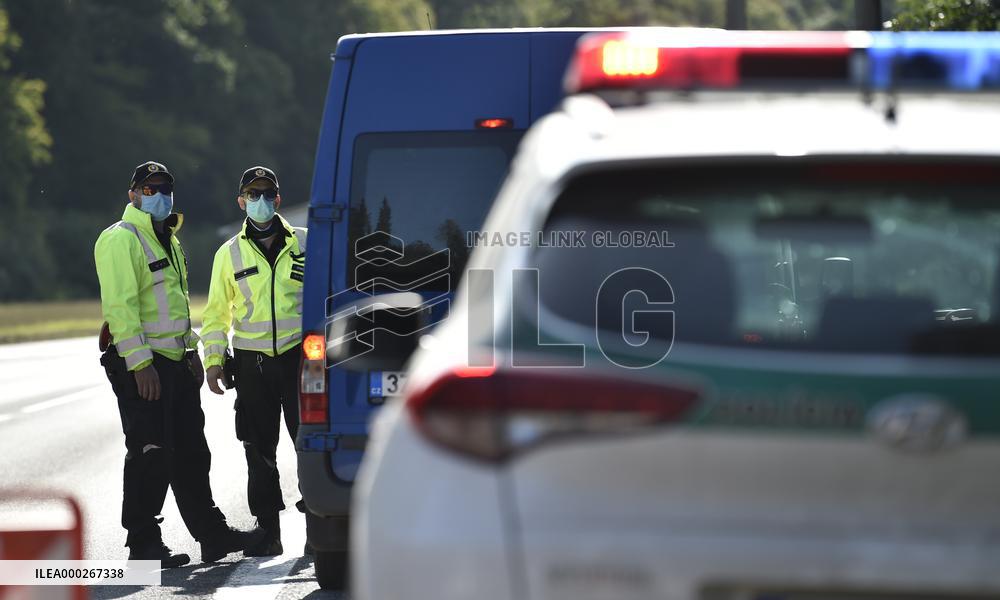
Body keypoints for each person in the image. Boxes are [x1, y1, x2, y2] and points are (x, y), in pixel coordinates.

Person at [94, 161, 261, 567]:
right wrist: (139, 364)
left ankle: (211, 534)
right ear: (133, 194)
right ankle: (143, 545)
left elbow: (175, 306)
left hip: (174, 363)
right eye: (150, 188)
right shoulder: (122, 239)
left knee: (191, 452)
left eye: (165, 188)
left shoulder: (167, 237)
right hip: (143, 366)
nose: (159, 195)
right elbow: (121, 308)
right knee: (150, 452)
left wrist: (190, 352)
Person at [201, 166, 306, 556]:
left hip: (300, 359)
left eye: (267, 194)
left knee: (310, 443)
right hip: (252, 363)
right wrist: (213, 360)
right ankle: (268, 530)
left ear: (278, 199)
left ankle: (319, 523)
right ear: (241, 201)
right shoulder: (227, 254)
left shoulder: (307, 243)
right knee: (258, 448)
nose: (260, 201)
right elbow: (215, 315)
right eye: (252, 194)